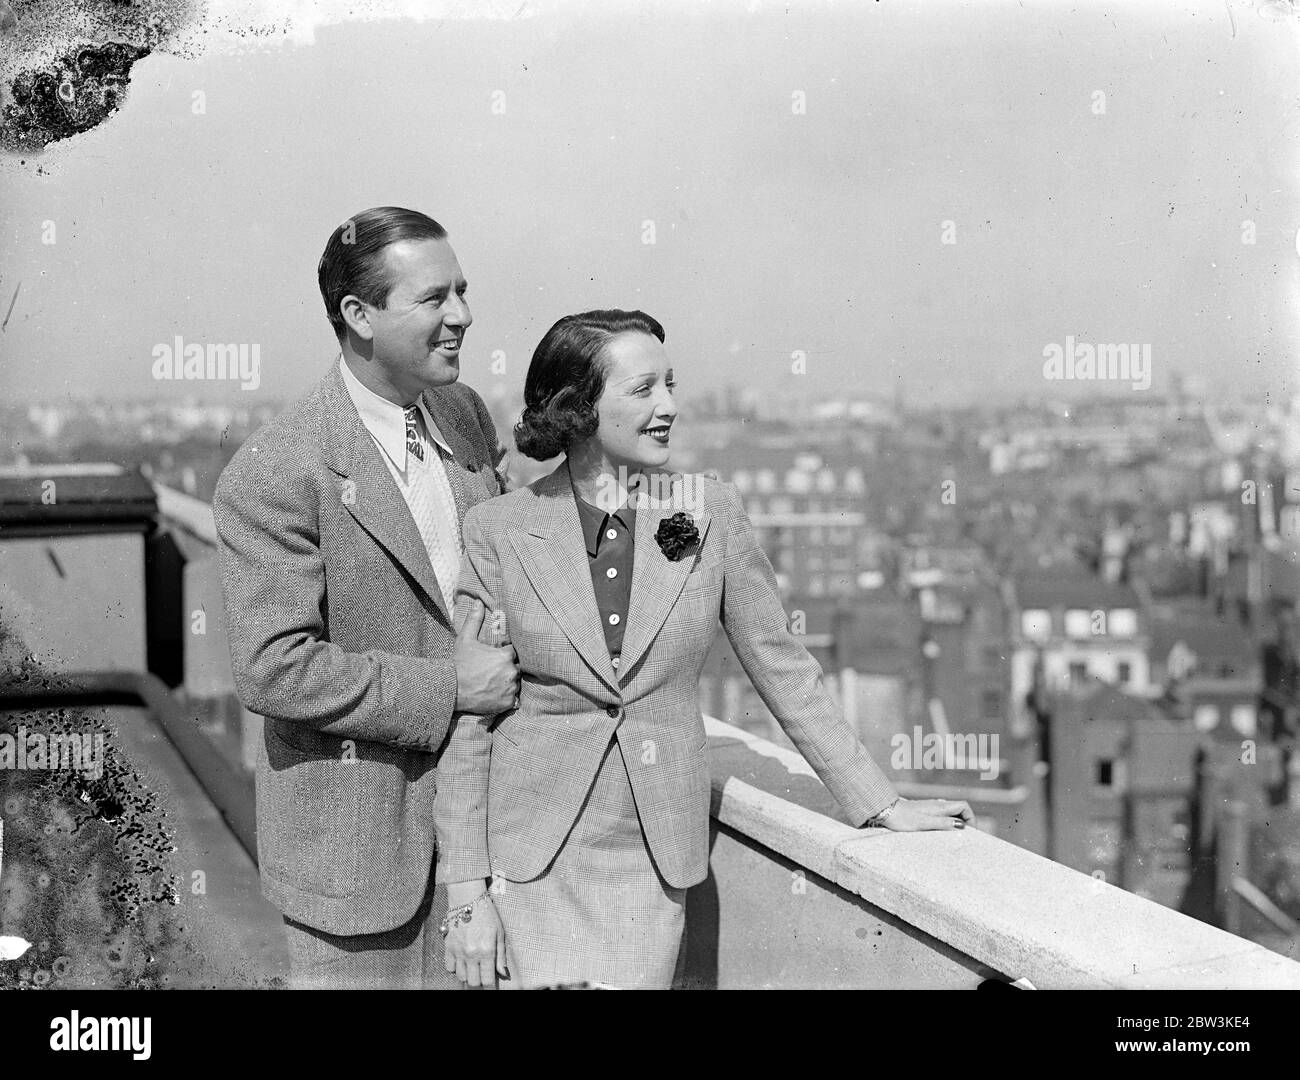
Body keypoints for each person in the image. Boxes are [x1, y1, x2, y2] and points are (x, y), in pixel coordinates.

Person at [434, 309, 972, 990]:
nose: (669, 407)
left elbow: (783, 666)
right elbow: (472, 722)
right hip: (527, 863)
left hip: (650, 860)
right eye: (643, 389)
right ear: (578, 406)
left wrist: (878, 803)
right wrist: (467, 896)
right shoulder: (499, 530)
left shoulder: (703, 514)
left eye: (671, 385)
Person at [212, 207, 520, 989]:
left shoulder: (465, 416)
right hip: (352, 877)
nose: (463, 315)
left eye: (463, 291)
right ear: (358, 316)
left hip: (486, 850)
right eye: (434, 299)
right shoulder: (276, 471)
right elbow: (274, 669)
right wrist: (452, 688)